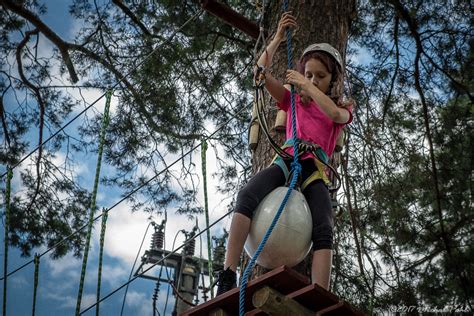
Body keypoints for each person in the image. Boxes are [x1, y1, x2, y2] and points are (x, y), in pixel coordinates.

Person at [215, 12, 353, 295]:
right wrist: (277, 37)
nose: (312, 80)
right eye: (308, 74)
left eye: (320, 76)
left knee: (323, 227)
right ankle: (228, 273)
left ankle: (319, 293)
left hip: (314, 168)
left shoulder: (343, 105)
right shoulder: (292, 101)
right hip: (287, 160)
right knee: (246, 196)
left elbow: (335, 115)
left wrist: (304, 85)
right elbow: (260, 74)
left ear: (332, 80)